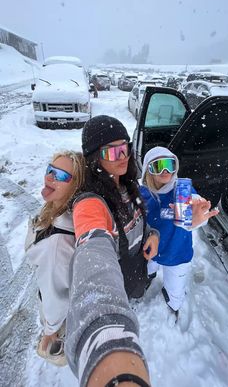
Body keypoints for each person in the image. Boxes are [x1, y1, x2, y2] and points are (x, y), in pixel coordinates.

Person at [65, 115, 159, 387]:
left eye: (125, 147)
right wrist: (104, 329)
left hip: (137, 269)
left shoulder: (127, 184)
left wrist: (152, 233)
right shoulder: (91, 202)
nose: (122, 157)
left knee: (135, 294)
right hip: (117, 279)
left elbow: (142, 221)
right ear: (94, 158)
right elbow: (93, 254)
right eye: (112, 151)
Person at [140, 146, 219, 320]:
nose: (166, 171)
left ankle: (172, 302)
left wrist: (197, 217)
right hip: (150, 250)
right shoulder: (143, 192)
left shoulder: (181, 190)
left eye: (170, 164)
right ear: (148, 170)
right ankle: (150, 276)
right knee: (148, 268)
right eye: (158, 166)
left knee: (175, 291)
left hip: (176, 253)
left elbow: (194, 209)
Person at [25, 150, 85, 366]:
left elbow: (56, 297)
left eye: (60, 176)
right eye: (50, 170)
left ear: (76, 186)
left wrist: (50, 330)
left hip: (62, 317)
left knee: (59, 350)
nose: (50, 177)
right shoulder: (56, 207)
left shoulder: (56, 246)